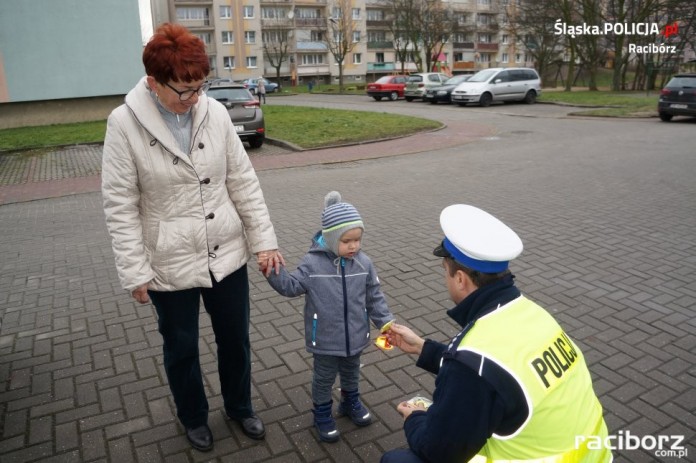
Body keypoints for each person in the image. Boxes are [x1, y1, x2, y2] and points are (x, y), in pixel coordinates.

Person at [101, 23, 284, 453]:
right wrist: (134, 271)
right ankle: (193, 416)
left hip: (227, 251)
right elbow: (120, 205)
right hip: (169, 259)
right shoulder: (124, 124)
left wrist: (265, 241)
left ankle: (239, 407)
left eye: (200, 87)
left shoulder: (214, 112)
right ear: (153, 82)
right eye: (183, 91)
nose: (193, 99)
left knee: (235, 339)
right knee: (181, 347)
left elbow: (242, 180)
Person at [382, 204, 612, 463]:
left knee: (396, 460)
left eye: (445, 273)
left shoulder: (472, 362)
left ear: (460, 279)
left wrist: (415, 417)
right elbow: (498, 372)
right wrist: (423, 348)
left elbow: (439, 450)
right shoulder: (533, 313)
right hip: (594, 454)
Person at [265, 191, 395, 443]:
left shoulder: (364, 263)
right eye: (347, 241)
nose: (354, 246)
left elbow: (374, 296)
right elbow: (291, 286)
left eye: (358, 239)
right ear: (331, 238)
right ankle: (322, 414)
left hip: (356, 335)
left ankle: (350, 403)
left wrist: (386, 322)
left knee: (351, 372)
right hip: (325, 338)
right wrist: (272, 271)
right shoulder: (312, 264)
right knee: (324, 378)